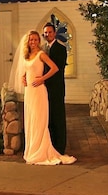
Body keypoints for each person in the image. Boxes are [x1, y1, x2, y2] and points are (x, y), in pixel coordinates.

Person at [18, 30, 76, 165]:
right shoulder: (27, 55)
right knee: (31, 120)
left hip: (39, 91)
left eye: (35, 40)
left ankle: (42, 150)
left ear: (39, 41)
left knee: (39, 121)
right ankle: (32, 149)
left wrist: (42, 79)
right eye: (31, 40)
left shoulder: (41, 54)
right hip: (29, 92)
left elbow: (55, 68)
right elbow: (27, 70)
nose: (33, 42)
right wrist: (23, 77)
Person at [43, 22, 67, 154]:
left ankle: (60, 146)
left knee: (58, 117)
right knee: (49, 117)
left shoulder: (60, 48)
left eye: (50, 32)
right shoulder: (43, 48)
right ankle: (51, 144)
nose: (47, 34)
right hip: (45, 89)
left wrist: (44, 78)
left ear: (55, 33)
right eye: (45, 33)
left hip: (56, 88)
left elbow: (58, 69)